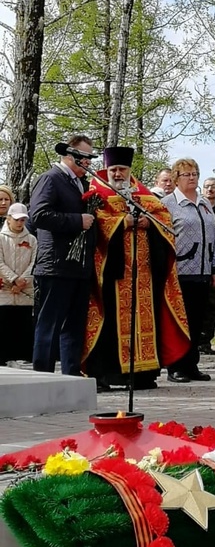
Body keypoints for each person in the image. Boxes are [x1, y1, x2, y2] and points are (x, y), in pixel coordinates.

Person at [83, 147, 190, 390]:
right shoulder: (97, 190)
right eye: (113, 170)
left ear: (130, 170)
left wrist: (148, 223)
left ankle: (141, 375)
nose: (118, 174)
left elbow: (164, 218)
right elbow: (96, 220)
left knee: (145, 320)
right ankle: (109, 375)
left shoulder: (143, 194)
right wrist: (123, 221)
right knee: (109, 323)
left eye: (122, 169)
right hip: (112, 275)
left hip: (144, 273)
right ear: (107, 170)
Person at [30, 135, 97, 375]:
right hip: (56, 265)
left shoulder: (81, 183)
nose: (89, 163)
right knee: (50, 325)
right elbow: (37, 215)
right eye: (85, 158)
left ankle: (71, 376)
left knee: (74, 326)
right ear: (70, 155)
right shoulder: (51, 179)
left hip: (78, 266)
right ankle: (43, 378)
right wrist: (77, 220)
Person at [162, 159, 215, 383]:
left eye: (195, 173)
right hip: (179, 272)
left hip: (203, 271)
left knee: (197, 321)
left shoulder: (205, 204)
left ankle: (191, 364)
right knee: (179, 321)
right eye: (187, 174)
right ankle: (175, 366)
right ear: (176, 178)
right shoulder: (167, 204)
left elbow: (214, 238)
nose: (193, 177)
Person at [0, 203, 37, 365]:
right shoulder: (1, 238)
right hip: (5, 291)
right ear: (8, 219)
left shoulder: (32, 239)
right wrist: (13, 278)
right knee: (4, 327)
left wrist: (23, 281)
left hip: (25, 292)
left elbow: (34, 262)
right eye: (16, 219)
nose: (20, 223)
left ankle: (21, 359)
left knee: (22, 327)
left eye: (23, 220)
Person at [198, 176, 215, 355]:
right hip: (199, 261)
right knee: (200, 301)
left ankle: (206, 340)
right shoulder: (199, 207)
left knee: (214, 303)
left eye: (213, 187)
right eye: (206, 187)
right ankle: (196, 339)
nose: (210, 190)